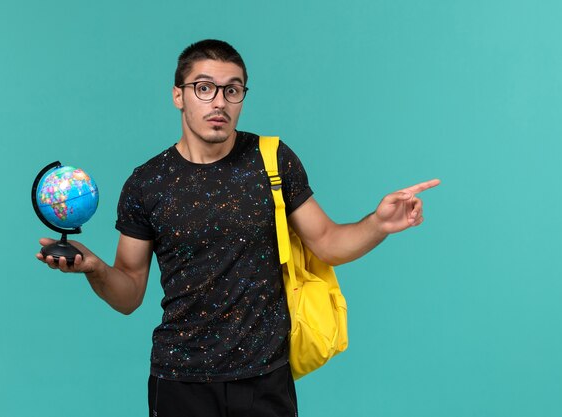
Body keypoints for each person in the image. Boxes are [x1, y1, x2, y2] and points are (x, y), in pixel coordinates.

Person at [37, 39, 440, 417]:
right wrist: (96, 269)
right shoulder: (147, 182)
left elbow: (329, 243)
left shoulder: (272, 160)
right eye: (204, 88)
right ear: (178, 95)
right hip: (180, 381)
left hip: (265, 379)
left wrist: (378, 223)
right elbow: (128, 293)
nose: (219, 102)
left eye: (233, 90)